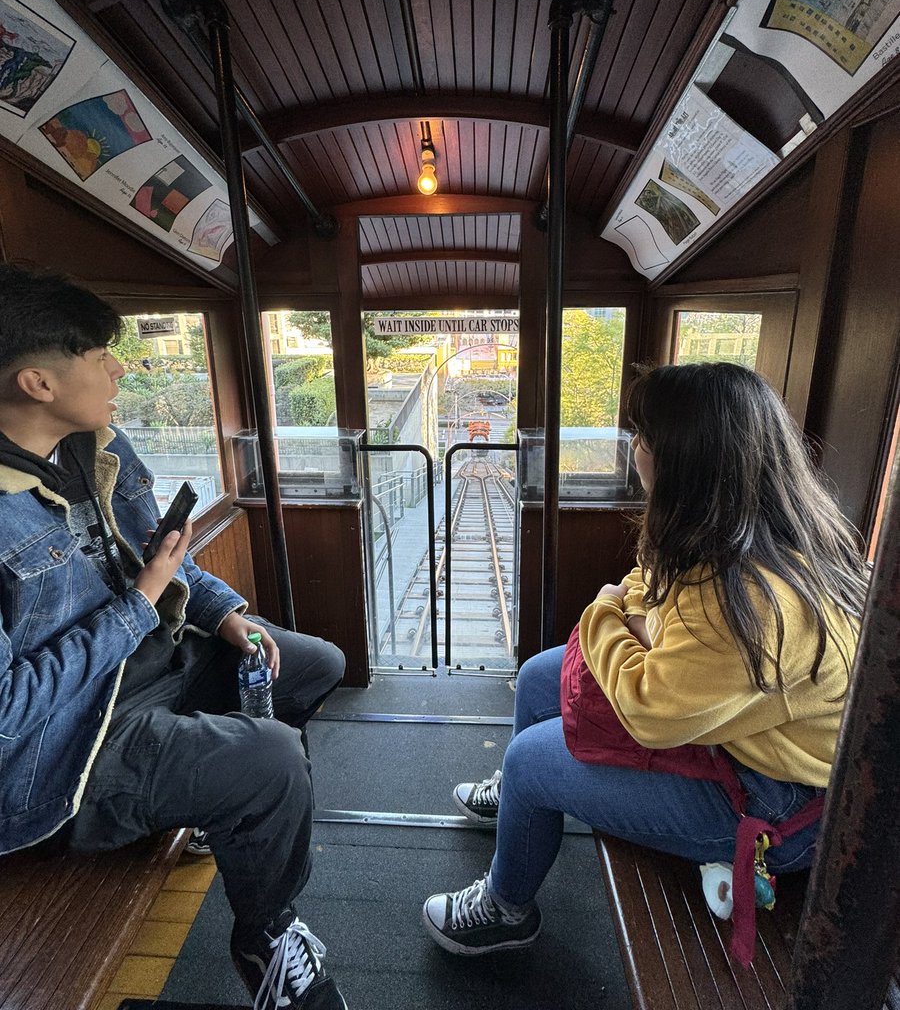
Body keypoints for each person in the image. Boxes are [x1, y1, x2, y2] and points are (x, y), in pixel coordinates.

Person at [423, 362, 868, 961]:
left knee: (530, 761)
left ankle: (506, 910)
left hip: (777, 802)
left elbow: (647, 709)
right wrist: (638, 620)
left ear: (689, 462)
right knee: (536, 679)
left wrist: (603, 616)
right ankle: (519, 807)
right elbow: (647, 584)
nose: (635, 448)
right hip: (734, 737)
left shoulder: (751, 600)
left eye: (646, 438)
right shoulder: (741, 528)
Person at [0, 264, 348, 1010]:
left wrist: (224, 612)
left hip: (158, 665)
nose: (118, 367)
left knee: (315, 664)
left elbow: (159, 550)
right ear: (38, 382)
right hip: (69, 747)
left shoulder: (99, 442)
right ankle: (265, 932)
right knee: (273, 760)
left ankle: (225, 813)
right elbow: (7, 712)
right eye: (99, 354)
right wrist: (141, 605)